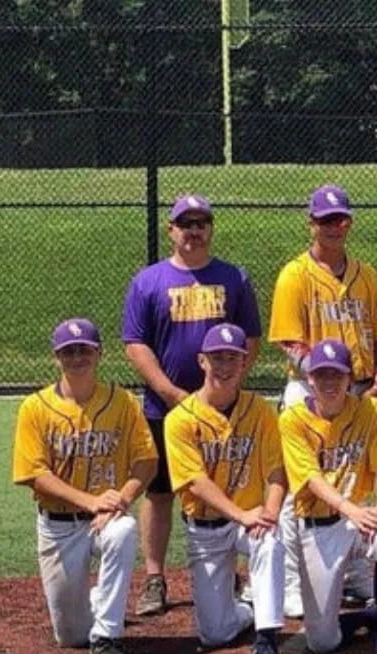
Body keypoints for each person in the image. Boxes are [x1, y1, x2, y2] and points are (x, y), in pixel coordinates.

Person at [122, 193, 263, 616]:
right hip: (165, 407)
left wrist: (225, 386)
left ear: (211, 229)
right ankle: (154, 577)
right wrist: (172, 393)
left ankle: (230, 571)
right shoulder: (148, 282)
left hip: (222, 409)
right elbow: (135, 344)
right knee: (161, 490)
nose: (194, 230)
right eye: (186, 223)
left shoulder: (233, 278)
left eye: (201, 223)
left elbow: (250, 339)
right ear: (172, 230)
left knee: (228, 485)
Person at [268, 184, 377, 617]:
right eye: (324, 220)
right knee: (296, 487)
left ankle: (353, 573)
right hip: (309, 389)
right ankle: (293, 581)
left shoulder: (365, 274)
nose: (333, 227)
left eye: (340, 219)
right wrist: (325, 381)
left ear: (349, 223)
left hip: (356, 389)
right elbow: (288, 340)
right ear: (311, 224)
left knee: (350, 479)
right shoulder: (295, 275)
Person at [12, 318, 157, 654]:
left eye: (84, 350)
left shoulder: (121, 401)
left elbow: (146, 461)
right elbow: (34, 474)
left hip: (105, 519)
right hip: (59, 525)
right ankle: (93, 605)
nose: (77, 357)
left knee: (123, 531)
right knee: (71, 635)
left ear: (99, 353)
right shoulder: (36, 407)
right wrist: (90, 501)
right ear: (56, 357)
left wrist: (121, 500)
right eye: (69, 351)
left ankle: (107, 638)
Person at [279, 339, 377, 654]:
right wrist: (350, 508)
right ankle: (370, 616)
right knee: (321, 641)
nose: (329, 382)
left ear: (350, 378)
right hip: (317, 526)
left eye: (337, 375)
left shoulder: (372, 410)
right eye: (321, 375)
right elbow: (309, 478)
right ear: (309, 378)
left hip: (356, 518)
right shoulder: (292, 419)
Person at [163, 323, 286, 654]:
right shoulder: (180, 419)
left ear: (244, 361)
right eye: (217, 357)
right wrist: (242, 514)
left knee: (270, 541)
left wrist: (271, 513)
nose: (225, 365)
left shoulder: (259, 410)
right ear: (202, 361)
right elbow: (195, 483)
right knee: (215, 633)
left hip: (249, 521)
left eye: (232, 357)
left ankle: (267, 641)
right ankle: (247, 606)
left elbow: (277, 473)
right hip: (206, 528)